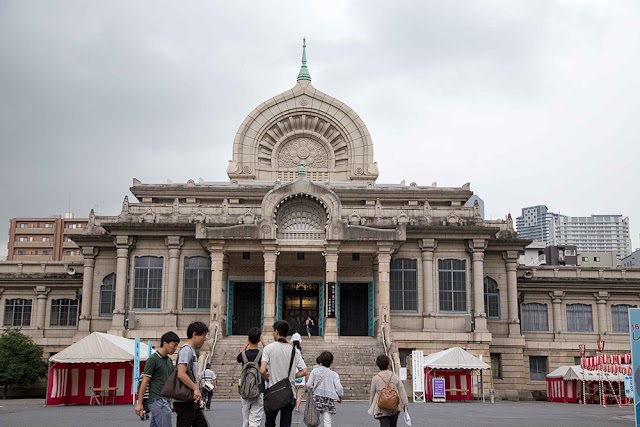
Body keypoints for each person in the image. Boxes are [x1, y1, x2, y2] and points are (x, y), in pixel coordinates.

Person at [261, 320, 308, 427]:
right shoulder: (295, 351)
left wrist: (267, 379)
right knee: (286, 424)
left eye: (273, 331)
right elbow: (305, 371)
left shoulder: (269, 348)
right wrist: (293, 375)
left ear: (276, 332)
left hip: (273, 392)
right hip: (289, 392)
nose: (273, 334)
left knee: (269, 423)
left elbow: (262, 370)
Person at [135, 331, 180, 427]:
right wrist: (139, 403)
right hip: (158, 400)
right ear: (165, 343)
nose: (175, 348)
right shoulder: (153, 359)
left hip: (165, 400)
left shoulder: (168, 361)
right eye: (174, 345)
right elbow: (145, 381)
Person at [174, 321, 210, 427]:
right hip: (184, 400)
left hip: (190, 399)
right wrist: (195, 388)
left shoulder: (191, 350)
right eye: (203, 335)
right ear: (194, 334)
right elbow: (181, 373)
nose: (205, 338)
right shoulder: (186, 350)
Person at [237, 327, 267, 427]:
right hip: (258, 388)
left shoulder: (243, 355)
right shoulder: (262, 355)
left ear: (249, 339)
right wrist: (263, 342)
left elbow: (238, 356)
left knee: (245, 419)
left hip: (245, 389)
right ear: (259, 339)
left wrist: (246, 344)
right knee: (255, 419)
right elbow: (269, 355)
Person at [368, 355, 409, 427]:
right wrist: (405, 404)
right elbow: (401, 390)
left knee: (384, 425)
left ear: (378, 365)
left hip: (381, 406)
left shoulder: (376, 378)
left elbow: (372, 393)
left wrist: (371, 405)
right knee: (393, 425)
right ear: (388, 364)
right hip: (394, 405)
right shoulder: (395, 376)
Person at [306, 351, 343, 426]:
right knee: (327, 421)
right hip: (328, 399)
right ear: (331, 362)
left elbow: (308, 384)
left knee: (313, 419)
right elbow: (339, 388)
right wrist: (340, 396)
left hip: (316, 397)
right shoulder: (334, 374)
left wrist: (314, 389)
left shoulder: (315, 371)